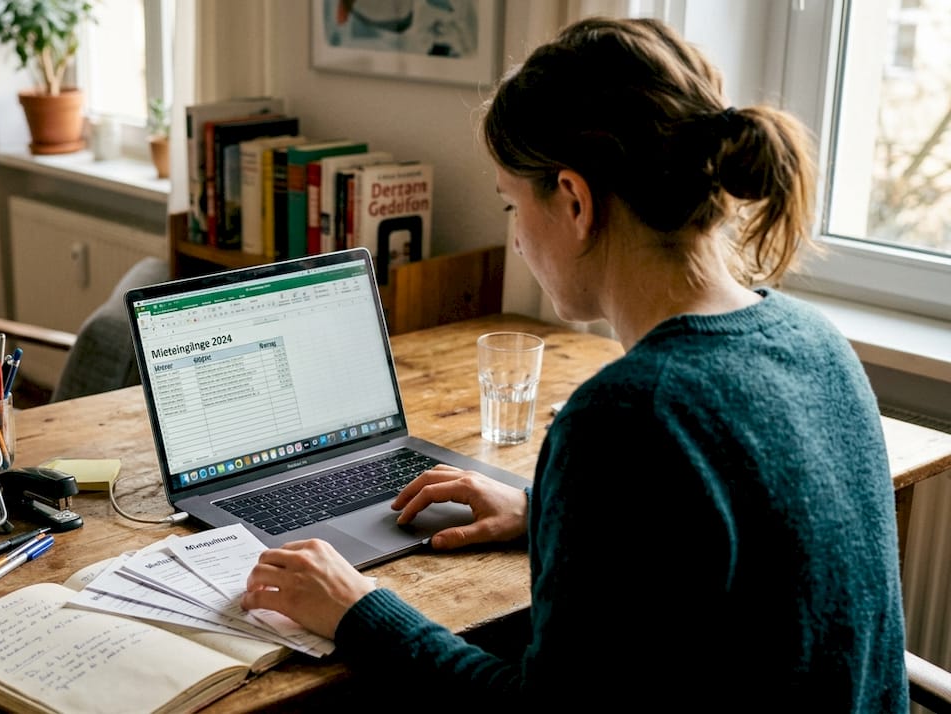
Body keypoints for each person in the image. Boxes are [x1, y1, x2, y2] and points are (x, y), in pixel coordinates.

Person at [242, 16, 908, 711]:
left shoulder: (631, 414)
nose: (518, 238)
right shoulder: (816, 341)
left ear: (575, 200)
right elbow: (712, 558)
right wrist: (544, 512)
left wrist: (357, 610)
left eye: (511, 203)